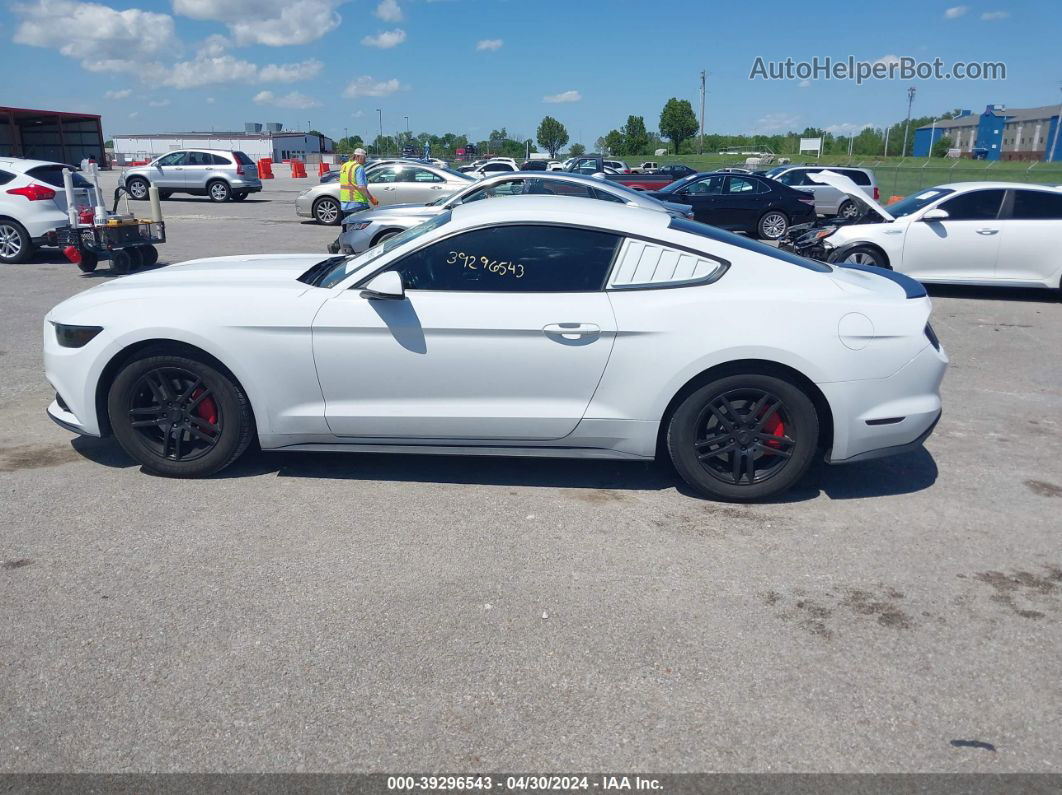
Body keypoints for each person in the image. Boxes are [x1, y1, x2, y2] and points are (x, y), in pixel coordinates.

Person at [328, 148, 378, 253]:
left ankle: (336, 246)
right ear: (358, 157)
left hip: (346, 203)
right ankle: (349, 249)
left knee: (348, 229)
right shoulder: (358, 168)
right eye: (364, 158)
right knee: (361, 229)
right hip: (357, 203)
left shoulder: (345, 166)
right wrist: (371, 198)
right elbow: (361, 187)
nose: (365, 160)